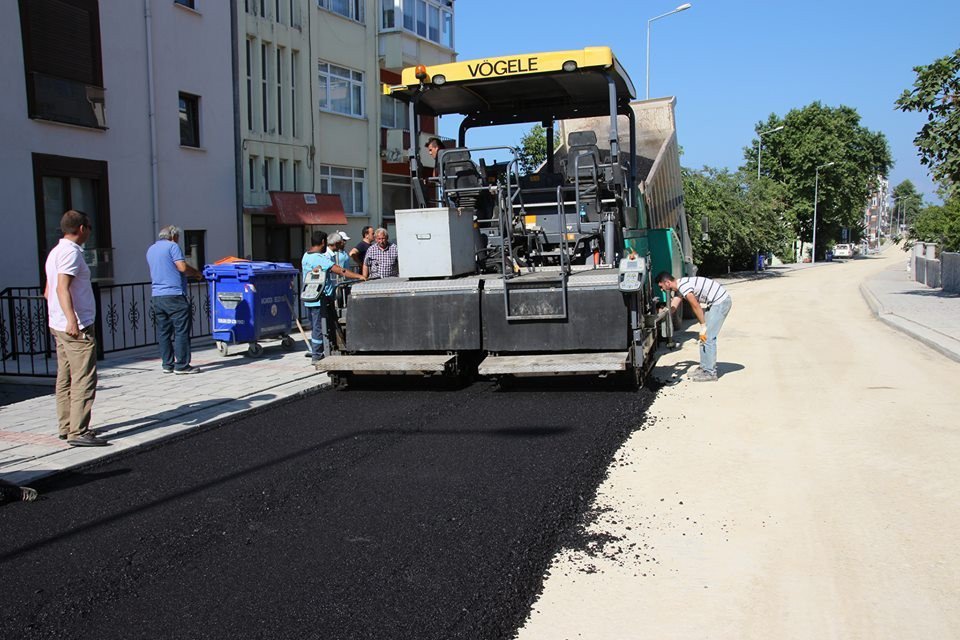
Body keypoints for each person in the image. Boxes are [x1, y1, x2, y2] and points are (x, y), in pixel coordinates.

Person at [44, 210, 108, 447]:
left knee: (65, 377)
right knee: (83, 377)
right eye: (89, 227)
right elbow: (62, 287)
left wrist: (59, 316)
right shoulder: (71, 253)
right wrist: (72, 320)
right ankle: (79, 430)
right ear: (82, 228)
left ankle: (66, 426)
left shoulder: (55, 252)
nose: (89, 231)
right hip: (75, 326)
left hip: (58, 324)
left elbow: (48, 289)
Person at [656, 272, 733, 382]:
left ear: (667, 283)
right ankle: (704, 368)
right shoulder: (679, 286)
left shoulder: (683, 286)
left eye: (661, 286)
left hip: (721, 302)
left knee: (708, 336)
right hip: (714, 303)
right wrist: (664, 312)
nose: (662, 290)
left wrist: (702, 325)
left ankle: (710, 373)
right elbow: (673, 306)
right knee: (703, 337)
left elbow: (695, 306)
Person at [147, 225, 203, 374]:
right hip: (174, 294)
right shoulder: (172, 246)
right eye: (178, 237)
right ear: (173, 236)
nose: (178, 240)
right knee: (181, 331)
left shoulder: (151, 249)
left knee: (164, 332)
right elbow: (182, 267)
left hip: (157, 295)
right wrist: (197, 273)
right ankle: (182, 365)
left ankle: (167, 364)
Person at [301, 231, 365, 362]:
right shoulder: (318, 258)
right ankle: (317, 355)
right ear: (323, 242)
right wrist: (359, 276)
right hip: (321, 299)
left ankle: (319, 351)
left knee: (316, 327)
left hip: (310, 298)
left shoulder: (306, 256)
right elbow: (340, 270)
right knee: (320, 327)